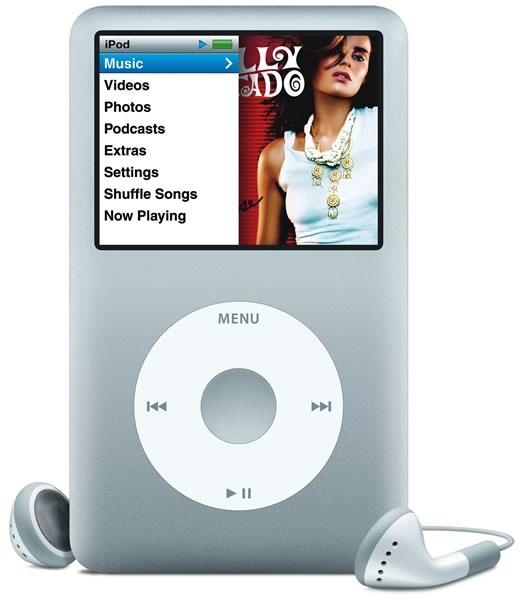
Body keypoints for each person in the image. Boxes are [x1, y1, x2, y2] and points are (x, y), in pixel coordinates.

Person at [256, 35, 378, 245]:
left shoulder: (386, 127)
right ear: (309, 60)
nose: (346, 61)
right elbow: (264, 259)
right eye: (335, 50)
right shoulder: (277, 157)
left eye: (358, 57)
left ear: (366, 75)